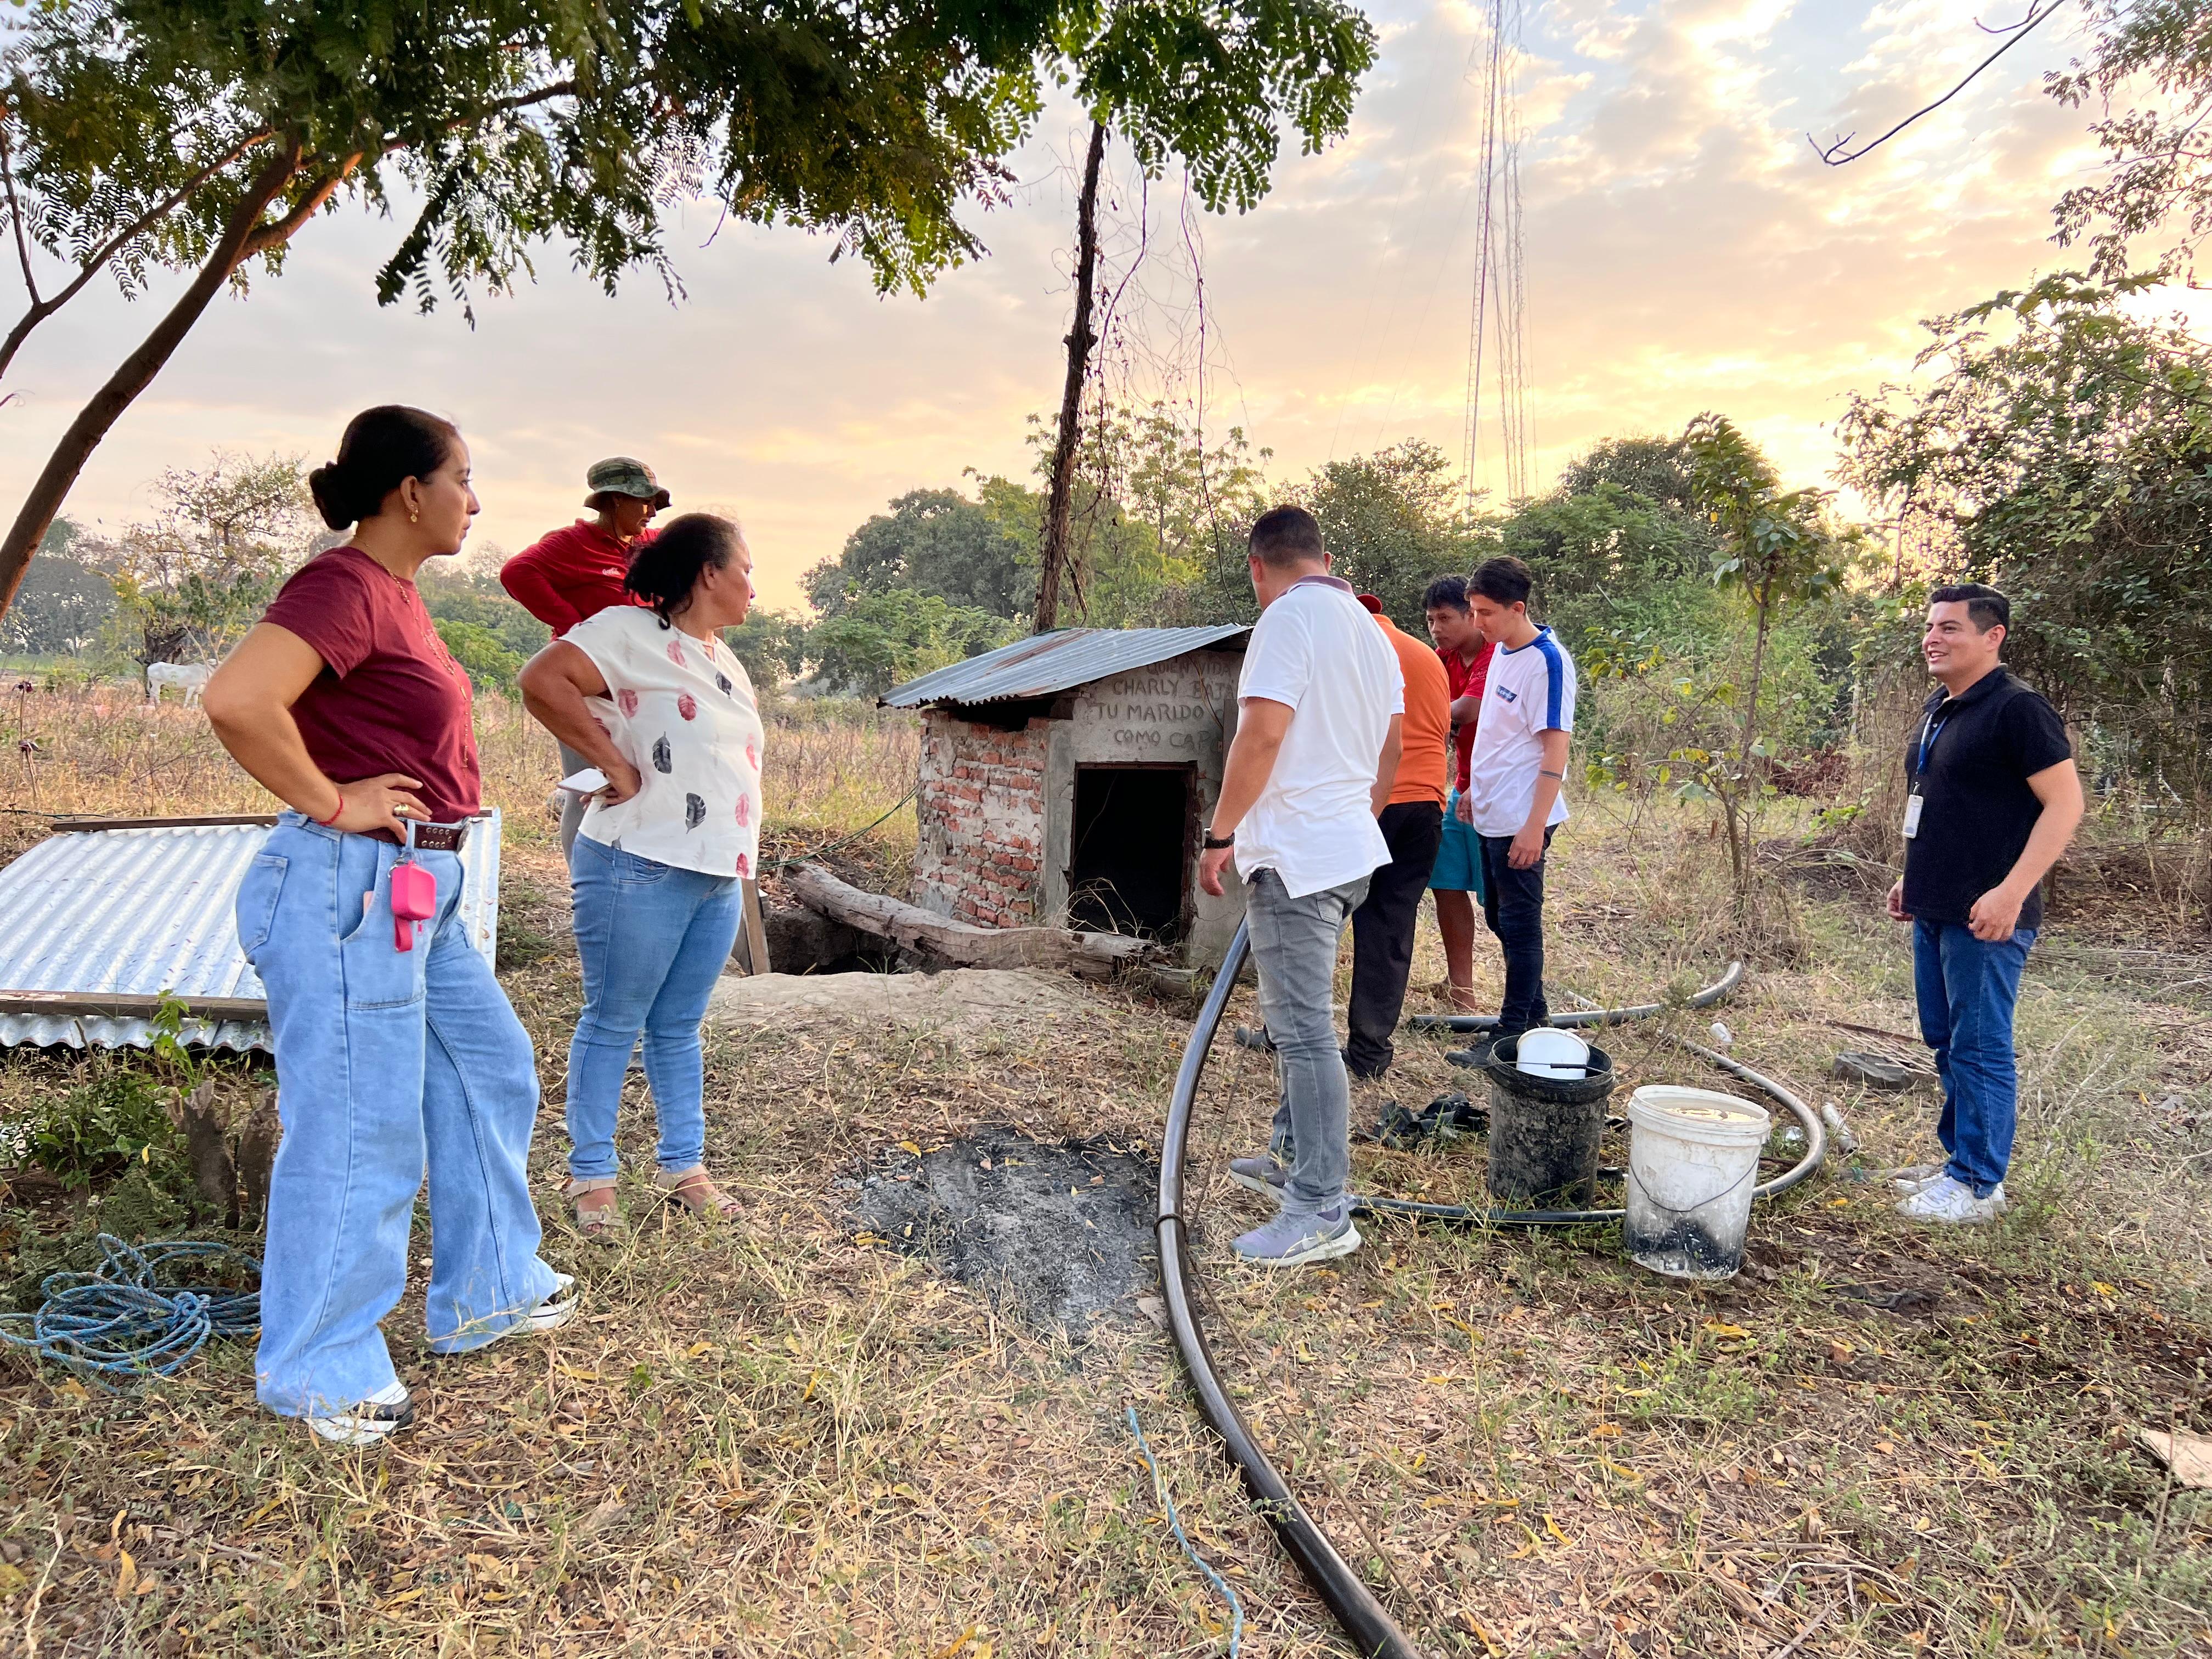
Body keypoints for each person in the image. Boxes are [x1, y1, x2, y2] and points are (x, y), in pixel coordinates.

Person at [204, 406, 574, 1447]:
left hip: (418, 885)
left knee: (490, 1066)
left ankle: (490, 1286)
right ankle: (318, 1364)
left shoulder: (397, 597)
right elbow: (238, 700)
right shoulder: (345, 586)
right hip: (349, 885)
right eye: (463, 477)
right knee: (360, 1123)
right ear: (410, 491)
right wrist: (333, 800)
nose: (475, 500)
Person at [517, 514, 763, 1242]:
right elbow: (542, 681)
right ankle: (593, 1176)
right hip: (639, 861)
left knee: (678, 1026)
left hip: (717, 872)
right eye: (746, 570)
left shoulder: (723, 658)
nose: (753, 587)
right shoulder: (626, 630)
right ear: (709, 572)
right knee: (614, 1020)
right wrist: (613, 764)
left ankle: (683, 1167)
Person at [1200, 506, 1403, 1267]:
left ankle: (1320, 1206)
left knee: (1304, 1029)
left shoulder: (1286, 620)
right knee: (1300, 1018)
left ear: (1258, 566)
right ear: (1325, 558)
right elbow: (1392, 748)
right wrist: (1353, 819)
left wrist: (1221, 835)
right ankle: (1291, 1157)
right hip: (1345, 850)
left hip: (1298, 857)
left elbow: (1262, 734)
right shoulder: (1369, 630)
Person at [1885, 584, 2081, 1226]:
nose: (1933, 638)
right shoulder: (1942, 707)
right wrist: (1910, 878)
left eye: (1951, 628)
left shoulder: (2017, 710)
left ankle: (1977, 1183)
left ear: (1993, 637)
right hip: (1936, 904)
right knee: (1946, 1041)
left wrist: (2012, 891)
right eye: (1930, 627)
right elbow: (1941, 802)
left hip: (1988, 916)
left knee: (1979, 1046)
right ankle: (1959, 1162)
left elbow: (2065, 805)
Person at [501, 457, 672, 856]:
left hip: (635, 690)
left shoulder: (648, 544)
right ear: (614, 500)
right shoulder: (572, 544)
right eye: (643, 501)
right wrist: (573, 625)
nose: (651, 511)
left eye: (654, 503)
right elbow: (516, 573)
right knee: (590, 789)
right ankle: (582, 881)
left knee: (637, 785)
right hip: (584, 692)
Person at [1458, 555, 1575, 1040]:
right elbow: (1499, 734)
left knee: (1521, 924)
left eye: (1486, 613)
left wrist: (1534, 827)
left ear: (1517, 608)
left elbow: (1555, 748)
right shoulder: (1502, 651)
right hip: (1493, 807)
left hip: (1523, 816)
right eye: (1473, 611)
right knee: (1497, 917)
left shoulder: (1547, 661)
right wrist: (1473, 788)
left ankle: (1510, 1034)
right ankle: (1535, 1016)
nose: (1477, 623)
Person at [1344, 591, 1452, 1079]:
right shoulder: (1426, 655)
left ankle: (1289, 1034)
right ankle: (1369, 1053)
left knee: (1311, 917)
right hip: (1426, 806)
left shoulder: (1354, 650)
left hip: (1371, 801)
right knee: (1390, 925)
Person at [1423, 575, 1497, 1012]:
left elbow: (1467, 710)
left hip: (1499, 791)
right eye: (1431, 620)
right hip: (1462, 786)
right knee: (1446, 883)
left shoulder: (1495, 654)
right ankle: (1461, 989)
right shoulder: (1442, 658)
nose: (1436, 628)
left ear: (1471, 616)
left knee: (1502, 901)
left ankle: (1523, 1000)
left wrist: (1420, 716)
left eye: (1445, 618)